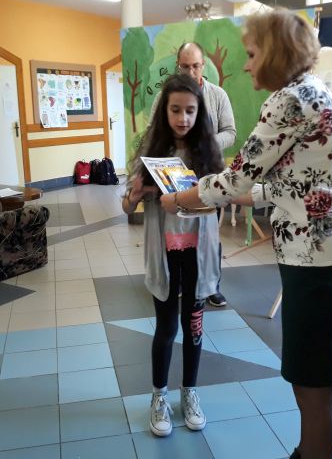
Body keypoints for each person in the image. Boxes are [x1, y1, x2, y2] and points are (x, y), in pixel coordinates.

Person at [160, 9, 332, 459]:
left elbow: (233, 178)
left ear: (275, 54)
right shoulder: (317, 93)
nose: (248, 65)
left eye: (253, 54)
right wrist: (245, 195)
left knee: (311, 388)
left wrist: (177, 199)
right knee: (319, 385)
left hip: (317, 265)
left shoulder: (287, 101)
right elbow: (297, 183)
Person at [123, 74, 224, 437]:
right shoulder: (151, 154)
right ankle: (159, 396)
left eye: (190, 110)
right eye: (176, 109)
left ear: (200, 113)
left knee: (194, 328)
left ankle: (189, 392)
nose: (183, 118)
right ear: (164, 111)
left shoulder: (208, 155)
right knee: (166, 328)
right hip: (164, 255)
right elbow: (126, 206)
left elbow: (220, 201)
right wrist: (136, 194)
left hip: (198, 255)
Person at [150, 42, 236, 307]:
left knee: (209, 234)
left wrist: (203, 143)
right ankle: (176, 281)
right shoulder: (163, 97)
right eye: (185, 66)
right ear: (178, 66)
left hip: (207, 177)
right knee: (177, 232)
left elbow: (230, 133)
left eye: (195, 66)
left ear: (203, 65)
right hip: (172, 177)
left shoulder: (218, 95)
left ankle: (211, 285)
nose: (190, 71)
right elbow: (153, 131)